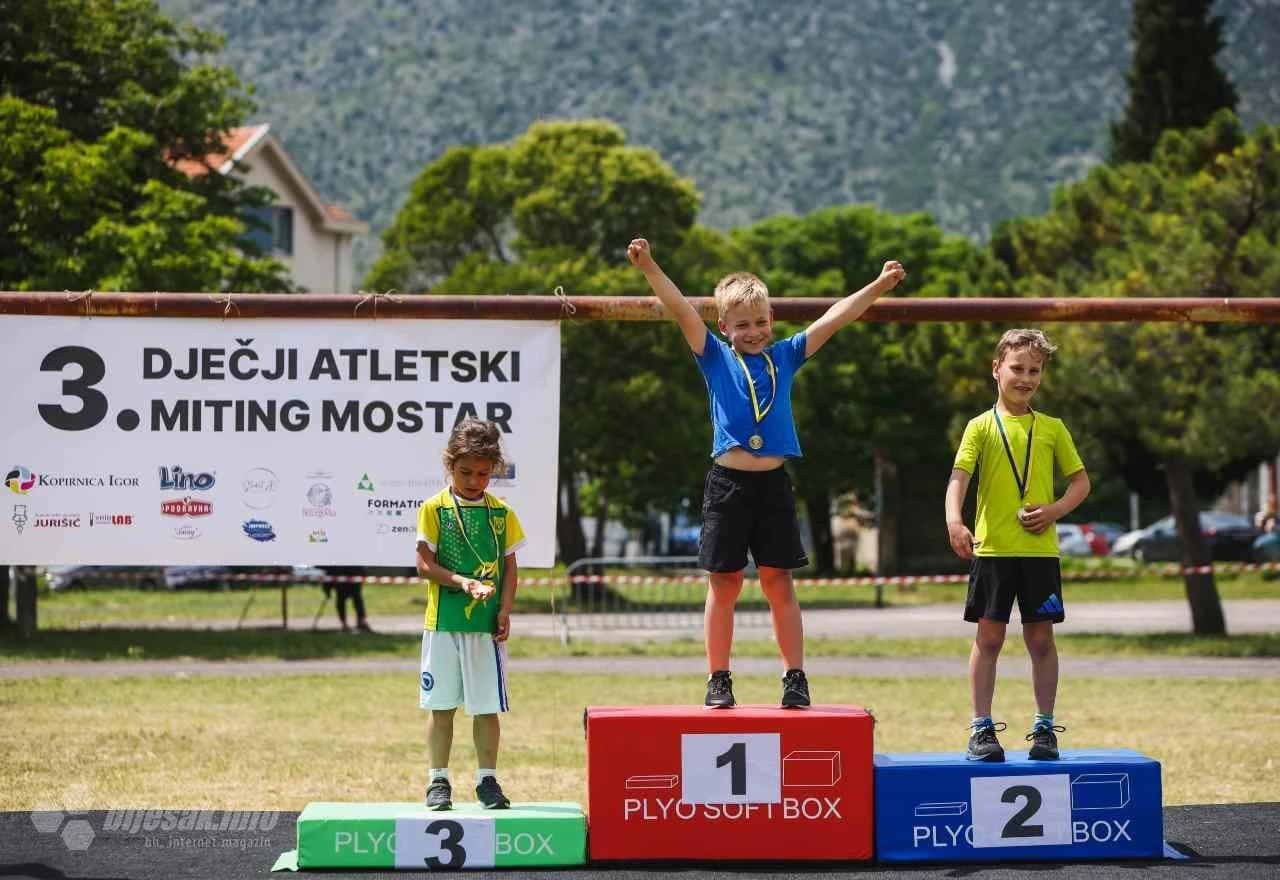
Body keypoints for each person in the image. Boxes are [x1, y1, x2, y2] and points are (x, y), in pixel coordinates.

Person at [628, 237, 906, 709]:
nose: (754, 331)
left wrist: (878, 285)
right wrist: (650, 266)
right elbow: (681, 310)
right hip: (728, 485)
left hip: (773, 484)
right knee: (725, 582)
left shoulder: (786, 355)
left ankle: (795, 675)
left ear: (772, 319)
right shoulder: (714, 355)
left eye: (761, 322)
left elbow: (835, 318)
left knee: (779, 580)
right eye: (742, 324)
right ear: (724, 327)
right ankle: (719, 678)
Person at [944, 328, 1091, 762]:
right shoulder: (980, 427)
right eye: (1017, 368)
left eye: (1035, 370)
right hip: (993, 551)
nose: (1026, 378)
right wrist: (955, 521)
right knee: (988, 638)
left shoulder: (1052, 428)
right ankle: (981, 728)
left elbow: (1081, 482)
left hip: (1040, 554)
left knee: (1041, 640)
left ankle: (1044, 728)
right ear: (996, 369)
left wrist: (1053, 510)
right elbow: (959, 478)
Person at [414, 419, 526, 810]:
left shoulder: (502, 513)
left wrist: (505, 609)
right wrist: (463, 582)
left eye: (483, 473)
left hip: (485, 628)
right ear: (450, 465)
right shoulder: (434, 508)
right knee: (441, 706)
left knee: (486, 707)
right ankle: (438, 780)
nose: (474, 481)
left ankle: (487, 781)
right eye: (465, 472)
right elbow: (424, 565)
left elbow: (510, 568)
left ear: (494, 469)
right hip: (443, 624)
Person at [320, 566, 372, 633]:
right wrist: (327, 591)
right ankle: (353, 623)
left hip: (349, 581)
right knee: (354, 600)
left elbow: (329, 575)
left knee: (353, 600)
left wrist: (327, 591)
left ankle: (359, 622)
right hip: (345, 582)